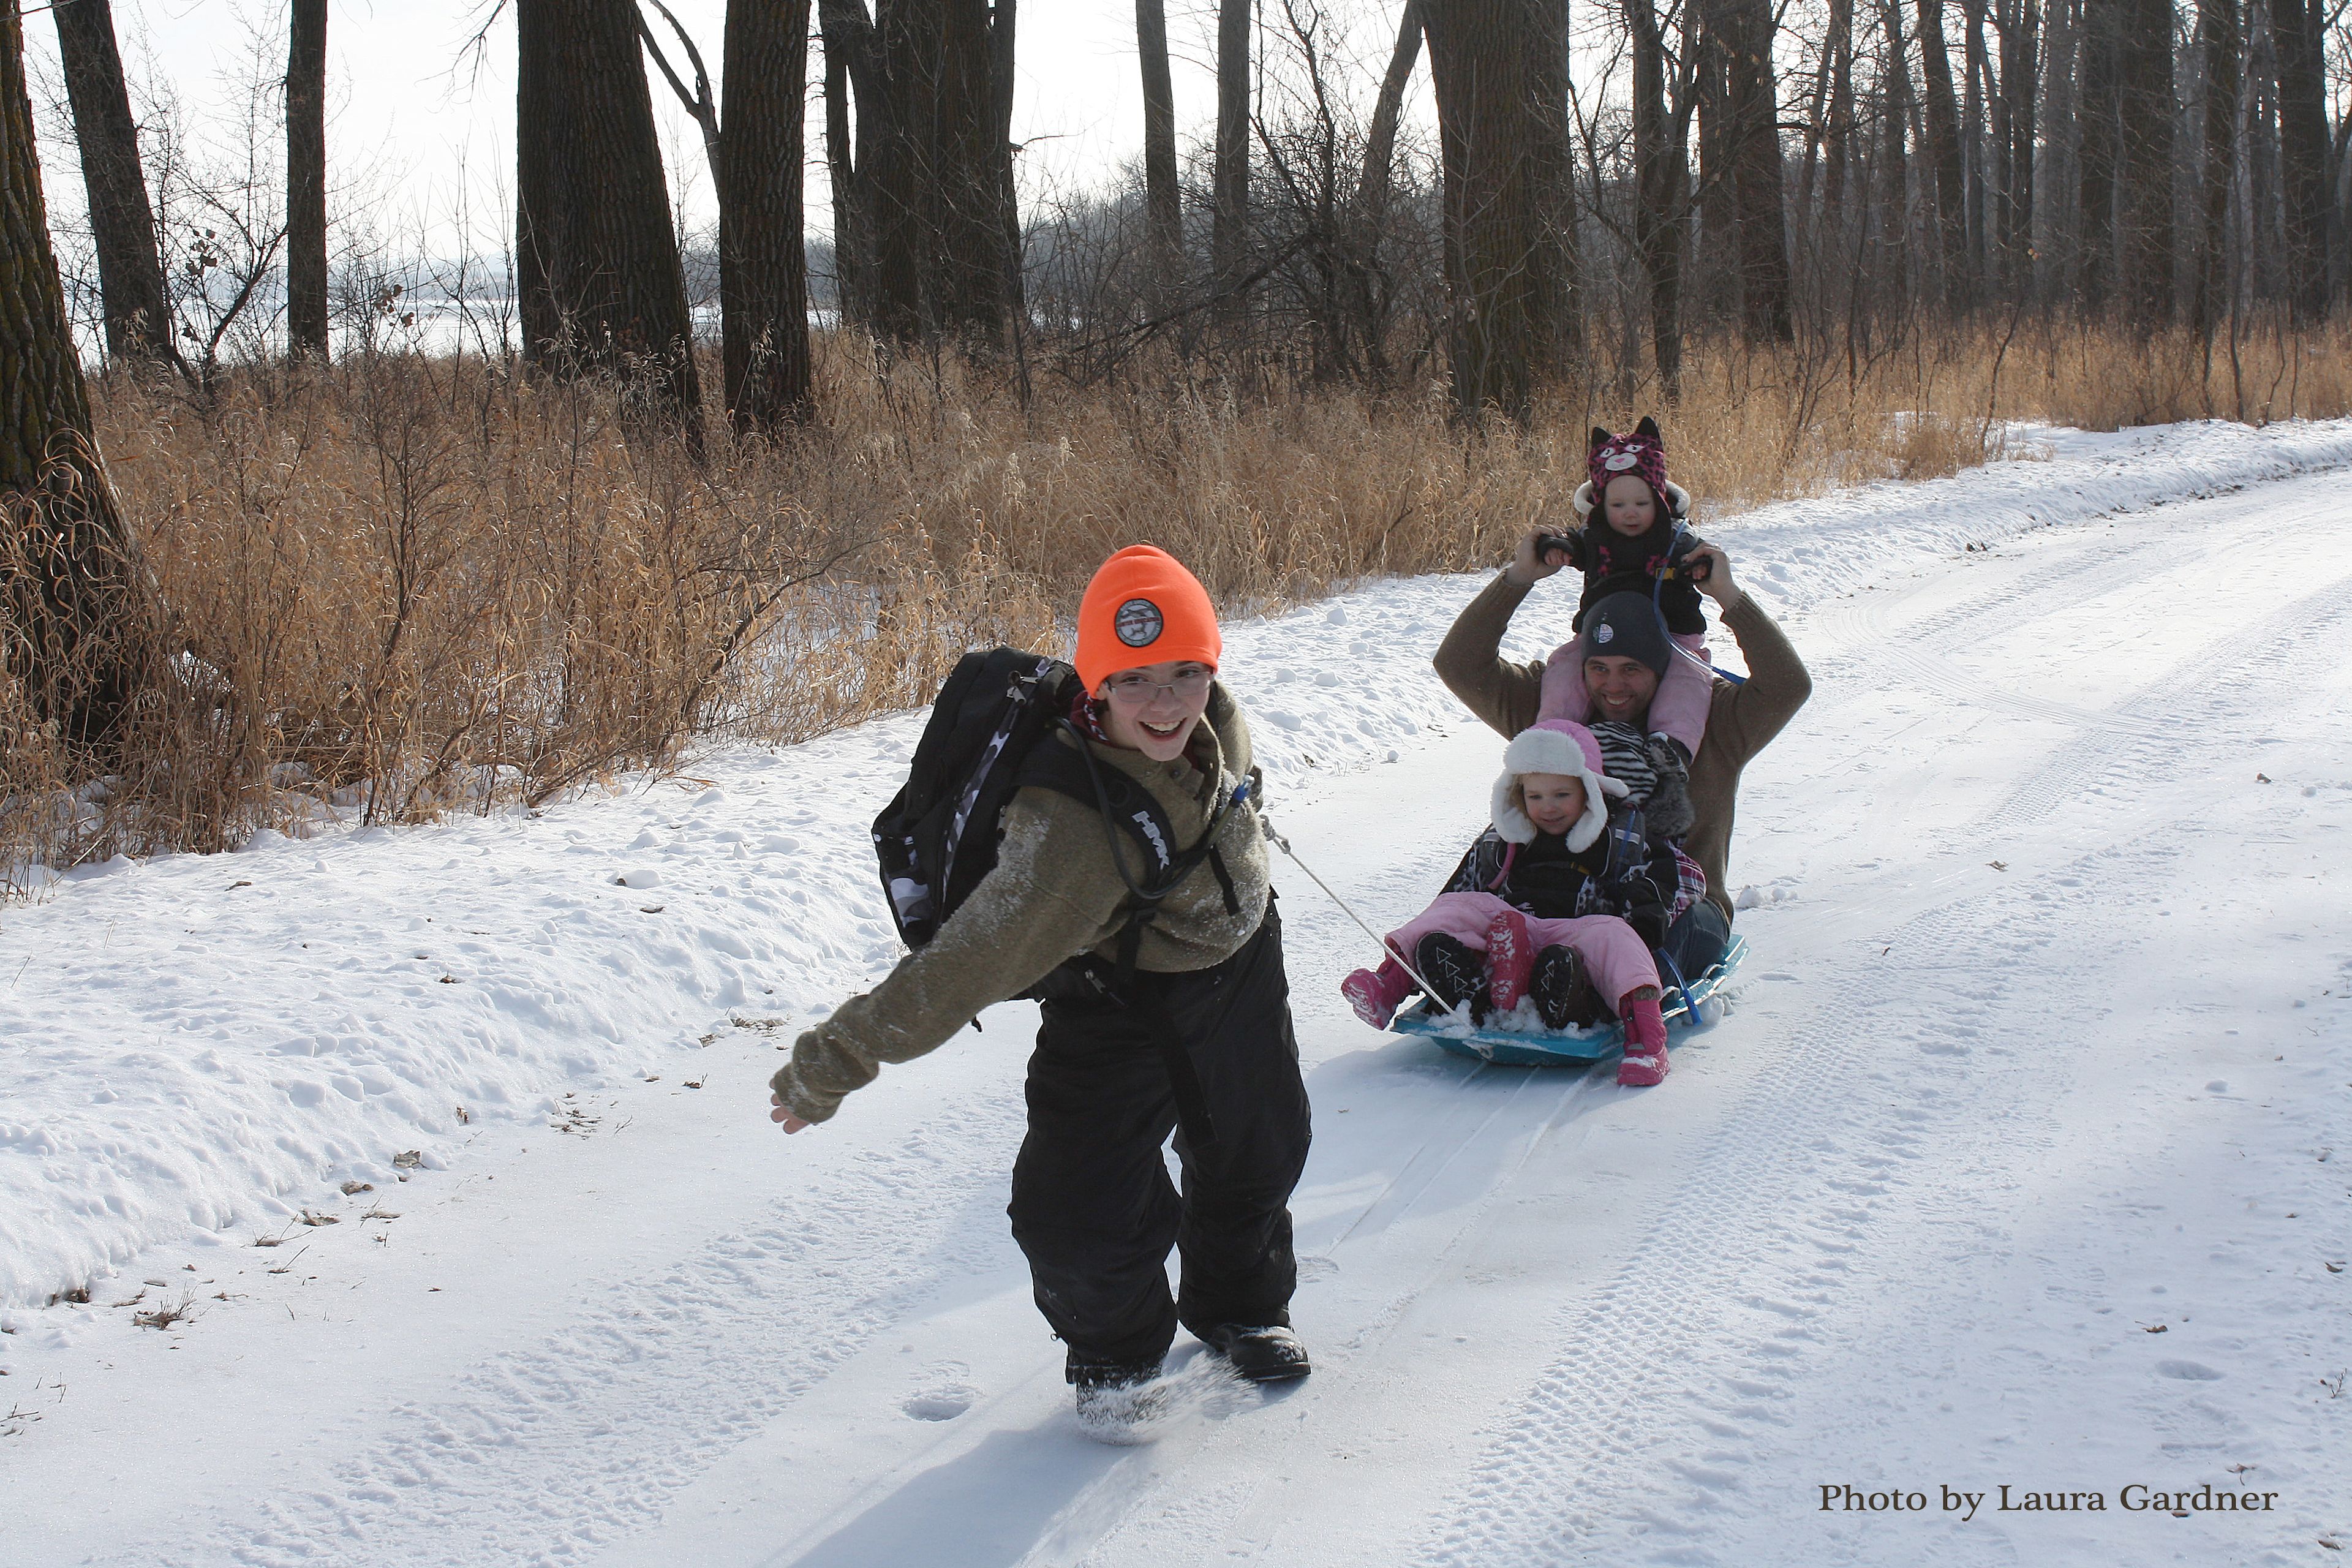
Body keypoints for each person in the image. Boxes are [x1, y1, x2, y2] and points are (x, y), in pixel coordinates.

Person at [768, 545, 1313, 1410]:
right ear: (1096, 683)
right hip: (1118, 998)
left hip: (1238, 961)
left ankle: (1243, 1310)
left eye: (1187, 673)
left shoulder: (1217, 722)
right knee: (1073, 1211)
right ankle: (1118, 1359)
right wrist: (835, 1059)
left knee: (1257, 1148)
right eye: (1135, 680)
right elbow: (963, 964)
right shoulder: (1069, 838)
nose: (1166, 703)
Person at [1434, 527, 1811, 981]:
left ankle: (1575, 985)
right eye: (1599, 668)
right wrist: (1518, 578)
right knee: (1485, 916)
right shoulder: (1551, 717)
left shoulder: (1718, 719)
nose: (1613, 686)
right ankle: (1484, 978)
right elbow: (1459, 664)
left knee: (1649, 945)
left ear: (1662, 666)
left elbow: (1789, 685)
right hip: (1556, 902)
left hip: (1678, 910)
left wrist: (1728, 595)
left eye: (1632, 669)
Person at [1340, 720, 1684, 1086]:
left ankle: (1647, 1044)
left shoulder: (1621, 837)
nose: (1547, 807)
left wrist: (1644, 918)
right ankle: (1390, 987)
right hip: (1506, 928)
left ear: (1590, 791)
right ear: (1518, 795)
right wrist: (1450, 918)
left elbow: (1651, 887)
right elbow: (1460, 891)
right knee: (1452, 910)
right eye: (1535, 797)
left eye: (1561, 795)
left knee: (1617, 936)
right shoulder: (1503, 838)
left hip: (1576, 938)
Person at [1539, 419, 1716, 765]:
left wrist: (1699, 567)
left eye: (1642, 503)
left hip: (1673, 634)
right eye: (1618, 506)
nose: (1630, 513)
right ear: (1601, 504)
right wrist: (1555, 547)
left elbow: (1700, 552)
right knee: (1565, 668)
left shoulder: (1677, 538)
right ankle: (1552, 736)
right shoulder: (1594, 537)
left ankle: (1672, 745)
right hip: (1602, 634)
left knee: (1688, 679)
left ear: (1660, 499)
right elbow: (1571, 541)